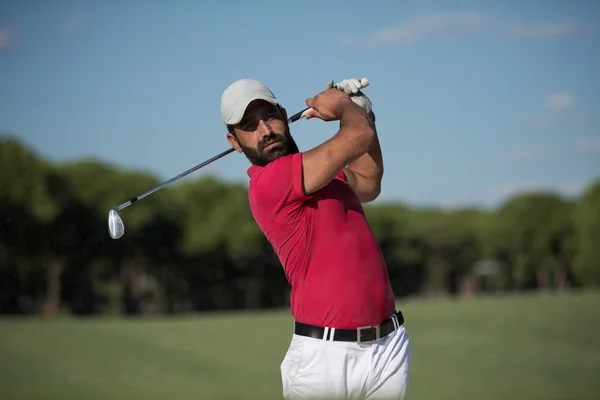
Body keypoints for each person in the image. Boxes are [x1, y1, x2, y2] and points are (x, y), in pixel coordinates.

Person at [219, 77, 411, 399]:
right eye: (250, 126)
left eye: (270, 116)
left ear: (283, 114)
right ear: (234, 142)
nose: (265, 130)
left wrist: (363, 111)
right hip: (324, 358)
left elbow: (369, 180)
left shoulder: (325, 171)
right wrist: (340, 105)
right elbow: (356, 135)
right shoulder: (270, 183)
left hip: (387, 347)